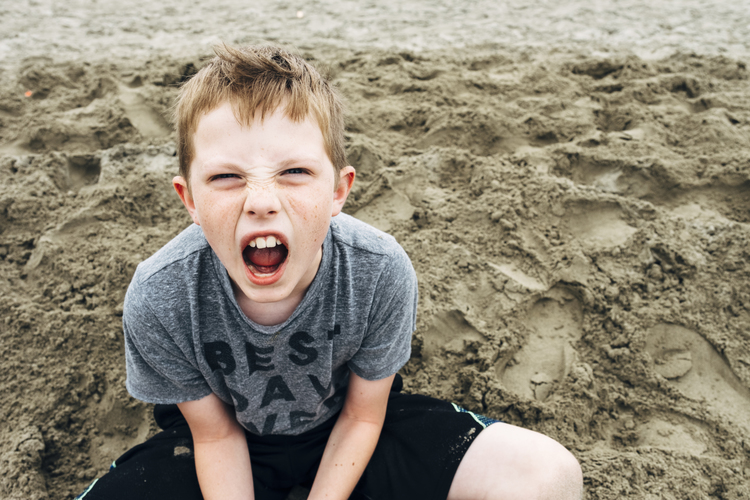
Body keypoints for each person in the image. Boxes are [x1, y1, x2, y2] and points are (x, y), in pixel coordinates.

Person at [76, 44, 583, 500]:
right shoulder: (161, 292)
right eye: (226, 177)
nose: (261, 202)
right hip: (222, 448)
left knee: (547, 474)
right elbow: (215, 435)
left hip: (354, 431)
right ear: (189, 198)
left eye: (294, 172)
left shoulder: (378, 269)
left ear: (338, 190)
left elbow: (364, 414)